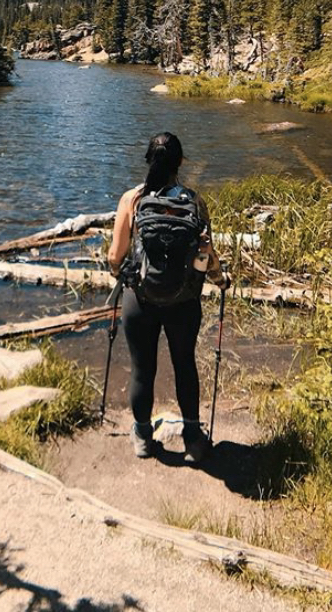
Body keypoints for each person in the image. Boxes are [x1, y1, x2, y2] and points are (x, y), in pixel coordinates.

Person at [107, 132, 231, 463]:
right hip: (184, 301)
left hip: (140, 299)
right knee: (184, 365)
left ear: (148, 160)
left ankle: (144, 438)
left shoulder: (132, 200)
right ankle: (192, 435)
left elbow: (114, 256)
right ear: (180, 163)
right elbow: (205, 256)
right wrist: (220, 280)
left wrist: (121, 274)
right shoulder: (194, 201)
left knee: (142, 369)